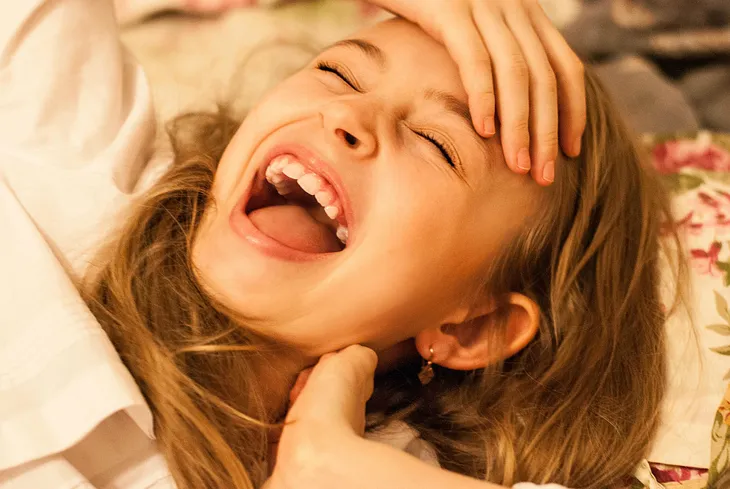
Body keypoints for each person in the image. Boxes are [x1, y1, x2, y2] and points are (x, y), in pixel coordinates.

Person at [0, 1, 679, 489]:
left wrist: (332, 467)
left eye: (440, 144)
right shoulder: (80, 164)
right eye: (340, 73)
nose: (350, 115)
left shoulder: (379, 466)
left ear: (476, 323)